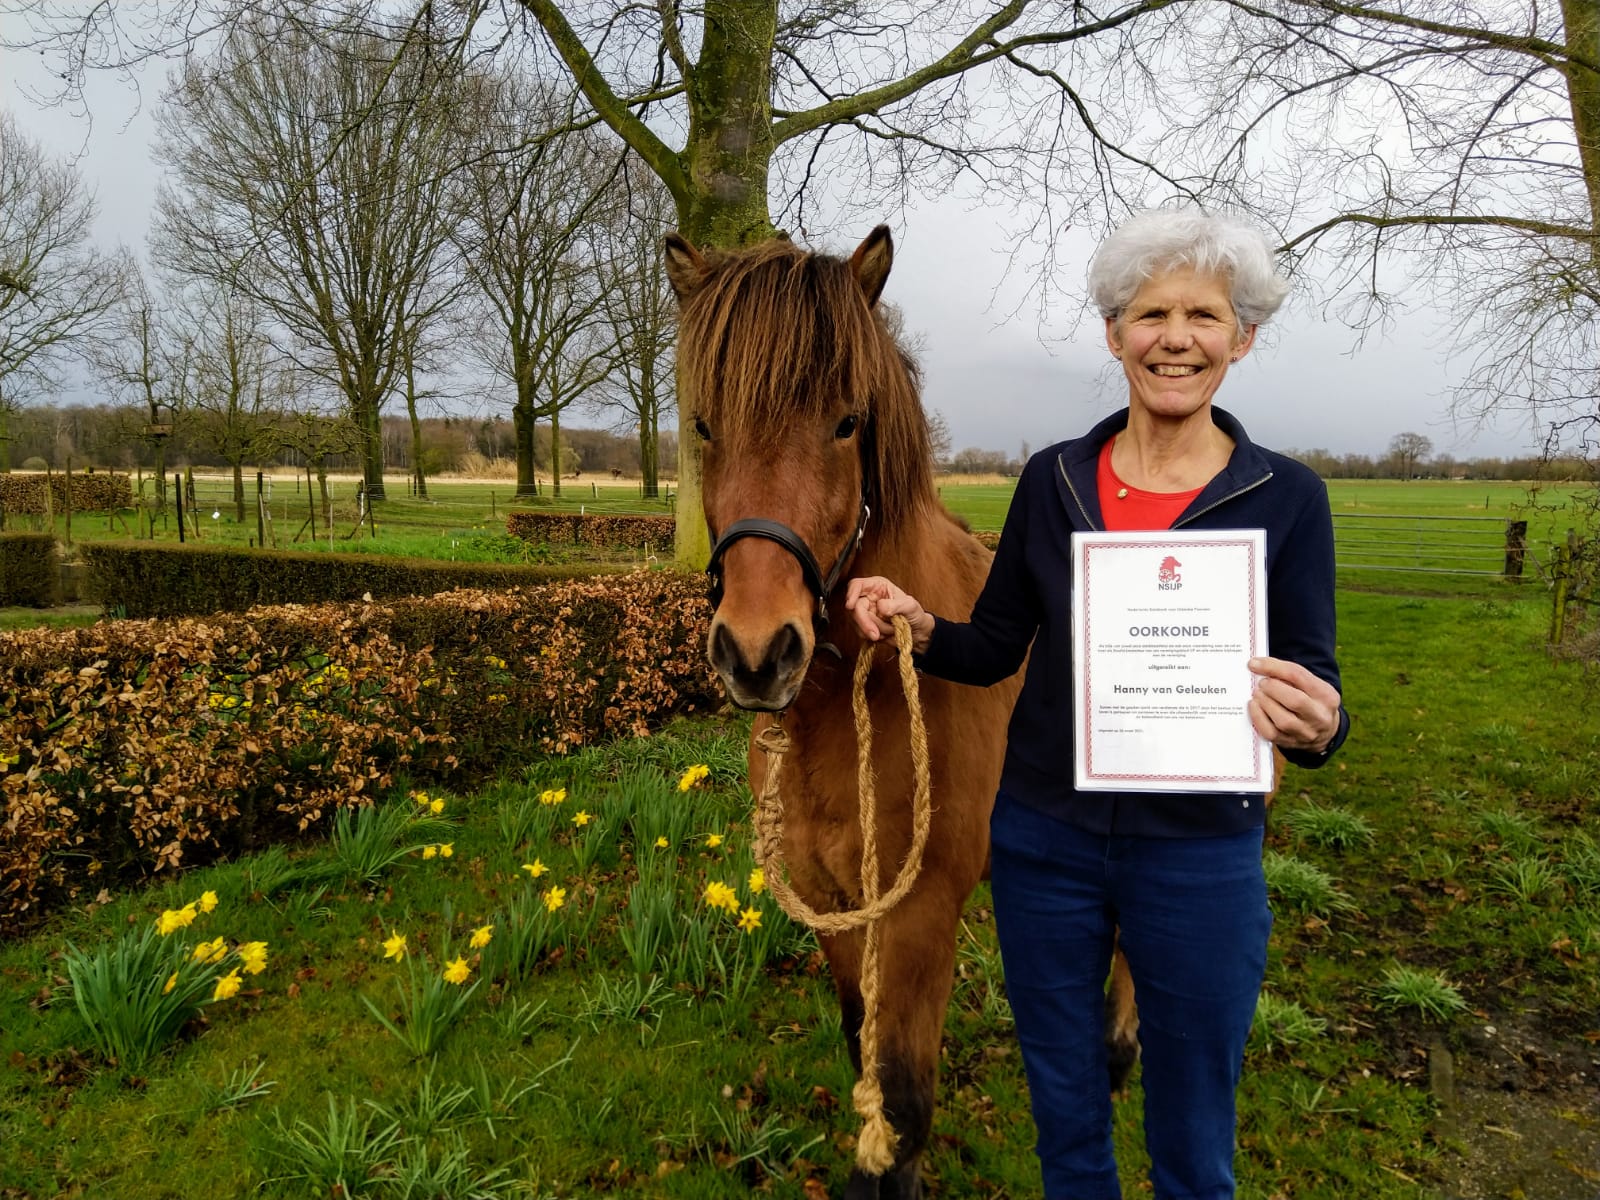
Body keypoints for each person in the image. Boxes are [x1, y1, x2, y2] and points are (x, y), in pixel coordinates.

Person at [844, 207, 1348, 1200]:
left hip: (1200, 854)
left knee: (1195, 1140)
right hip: (1045, 849)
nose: (1174, 338)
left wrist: (1321, 723)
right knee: (1065, 1119)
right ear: (1114, 333)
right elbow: (995, 646)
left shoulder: (1285, 499)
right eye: (1148, 313)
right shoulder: (1052, 481)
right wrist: (916, 623)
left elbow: (1311, 673)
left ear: (1240, 338)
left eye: (1202, 316)